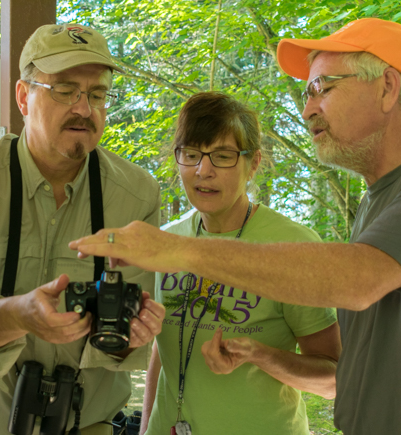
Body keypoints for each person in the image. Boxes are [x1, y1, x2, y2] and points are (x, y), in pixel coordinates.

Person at [70, 18, 401, 435]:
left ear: (388, 87)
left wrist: (178, 253)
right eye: (190, 154)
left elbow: (359, 281)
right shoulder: (382, 197)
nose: (307, 110)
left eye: (323, 88)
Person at [0, 23, 165, 435]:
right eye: (65, 90)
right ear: (23, 96)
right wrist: (22, 315)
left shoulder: (136, 194)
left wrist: (134, 332)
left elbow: (121, 340)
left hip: (86, 424)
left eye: (97, 94)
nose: (84, 109)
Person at [140, 92, 340, 435]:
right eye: (191, 155)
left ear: (254, 163)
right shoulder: (168, 242)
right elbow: (166, 348)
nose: (204, 170)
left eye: (222, 156)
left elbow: (334, 379)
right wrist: (145, 428)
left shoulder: (293, 247)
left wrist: (258, 355)